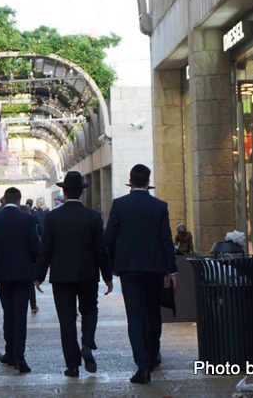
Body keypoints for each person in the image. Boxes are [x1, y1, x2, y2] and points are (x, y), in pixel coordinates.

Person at [104, 164, 178, 384]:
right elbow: (166, 240)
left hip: (129, 270)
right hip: (155, 269)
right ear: (148, 182)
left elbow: (109, 237)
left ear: (130, 181)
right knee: (153, 313)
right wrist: (172, 269)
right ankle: (153, 357)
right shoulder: (159, 206)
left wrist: (115, 263)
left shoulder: (119, 205)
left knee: (134, 316)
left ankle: (142, 366)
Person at [35, 171, 113, 378]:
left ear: (64, 191)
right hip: (88, 274)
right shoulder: (94, 217)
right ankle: (87, 344)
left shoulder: (52, 217)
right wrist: (107, 276)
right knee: (89, 310)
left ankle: (72, 365)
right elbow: (101, 249)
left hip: (61, 276)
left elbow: (45, 249)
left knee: (66, 319)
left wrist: (39, 275)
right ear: (81, 192)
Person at [0, 187, 39, 373]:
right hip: (23, 274)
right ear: (19, 201)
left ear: (4, 200)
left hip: (2, 274)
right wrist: (37, 272)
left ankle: (9, 353)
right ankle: (19, 358)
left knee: (8, 313)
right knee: (20, 316)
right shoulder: (28, 219)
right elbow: (35, 247)